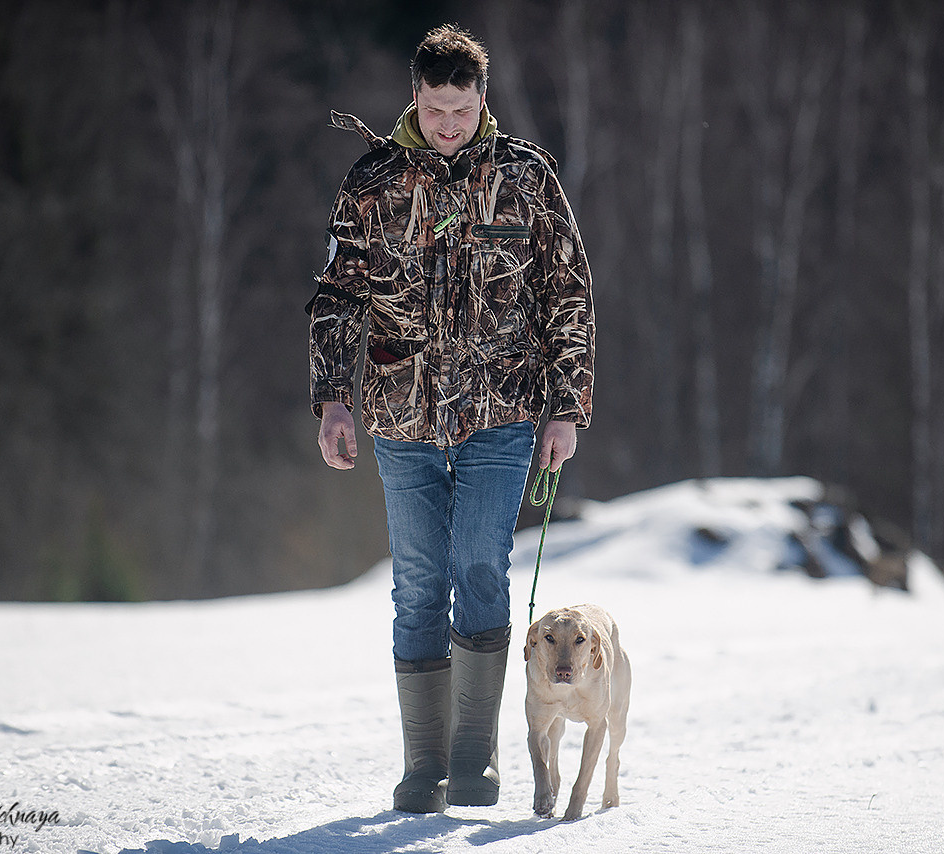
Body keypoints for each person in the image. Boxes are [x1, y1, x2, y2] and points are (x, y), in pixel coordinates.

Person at [307, 23, 594, 814]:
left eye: (461, 110)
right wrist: (335, 397)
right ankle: (423, 764)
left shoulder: (526, 175)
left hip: (504, 411)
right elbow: (337, 298)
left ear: (481, 101)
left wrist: (564, 409)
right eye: (435, 110)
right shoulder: (371, 182)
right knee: (418, 586)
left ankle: (476, 754)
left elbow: (568, 292)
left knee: (477, 565)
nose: (447, 125)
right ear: (415, 98)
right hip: (401, 416)